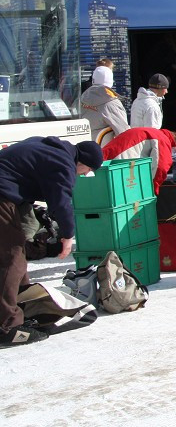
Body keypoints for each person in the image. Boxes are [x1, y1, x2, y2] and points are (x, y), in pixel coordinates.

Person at [0, 137, 103, 347]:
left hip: (7, 195)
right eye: (86, 171)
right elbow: (61, 201)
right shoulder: (63, 162)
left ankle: (22, 307)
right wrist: (67, 236)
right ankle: (7, 327)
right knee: (12, 259)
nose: (83, 175)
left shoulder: (51, 148)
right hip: (2, 196)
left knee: (15, 256)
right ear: (82, 163)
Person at [130, 73, 176, 183]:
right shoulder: (152, 106)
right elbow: (152, 133)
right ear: (160, 88)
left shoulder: (138, 101)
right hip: (146, 149)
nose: (167, 92)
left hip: (137, 145)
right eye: (165, 88)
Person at [101, 127, 176, 194]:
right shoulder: (163, 139)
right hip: (121, 160)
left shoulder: (152, 132)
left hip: (107, 156)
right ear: (175, 144)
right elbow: (160, 167)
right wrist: (152, 190)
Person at [81, 65, 129, 143]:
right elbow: (124, 133)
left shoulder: (82, 98)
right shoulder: (111, 103)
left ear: (93, 80)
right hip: (104, 150)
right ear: (111, 81)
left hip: (83, 148)